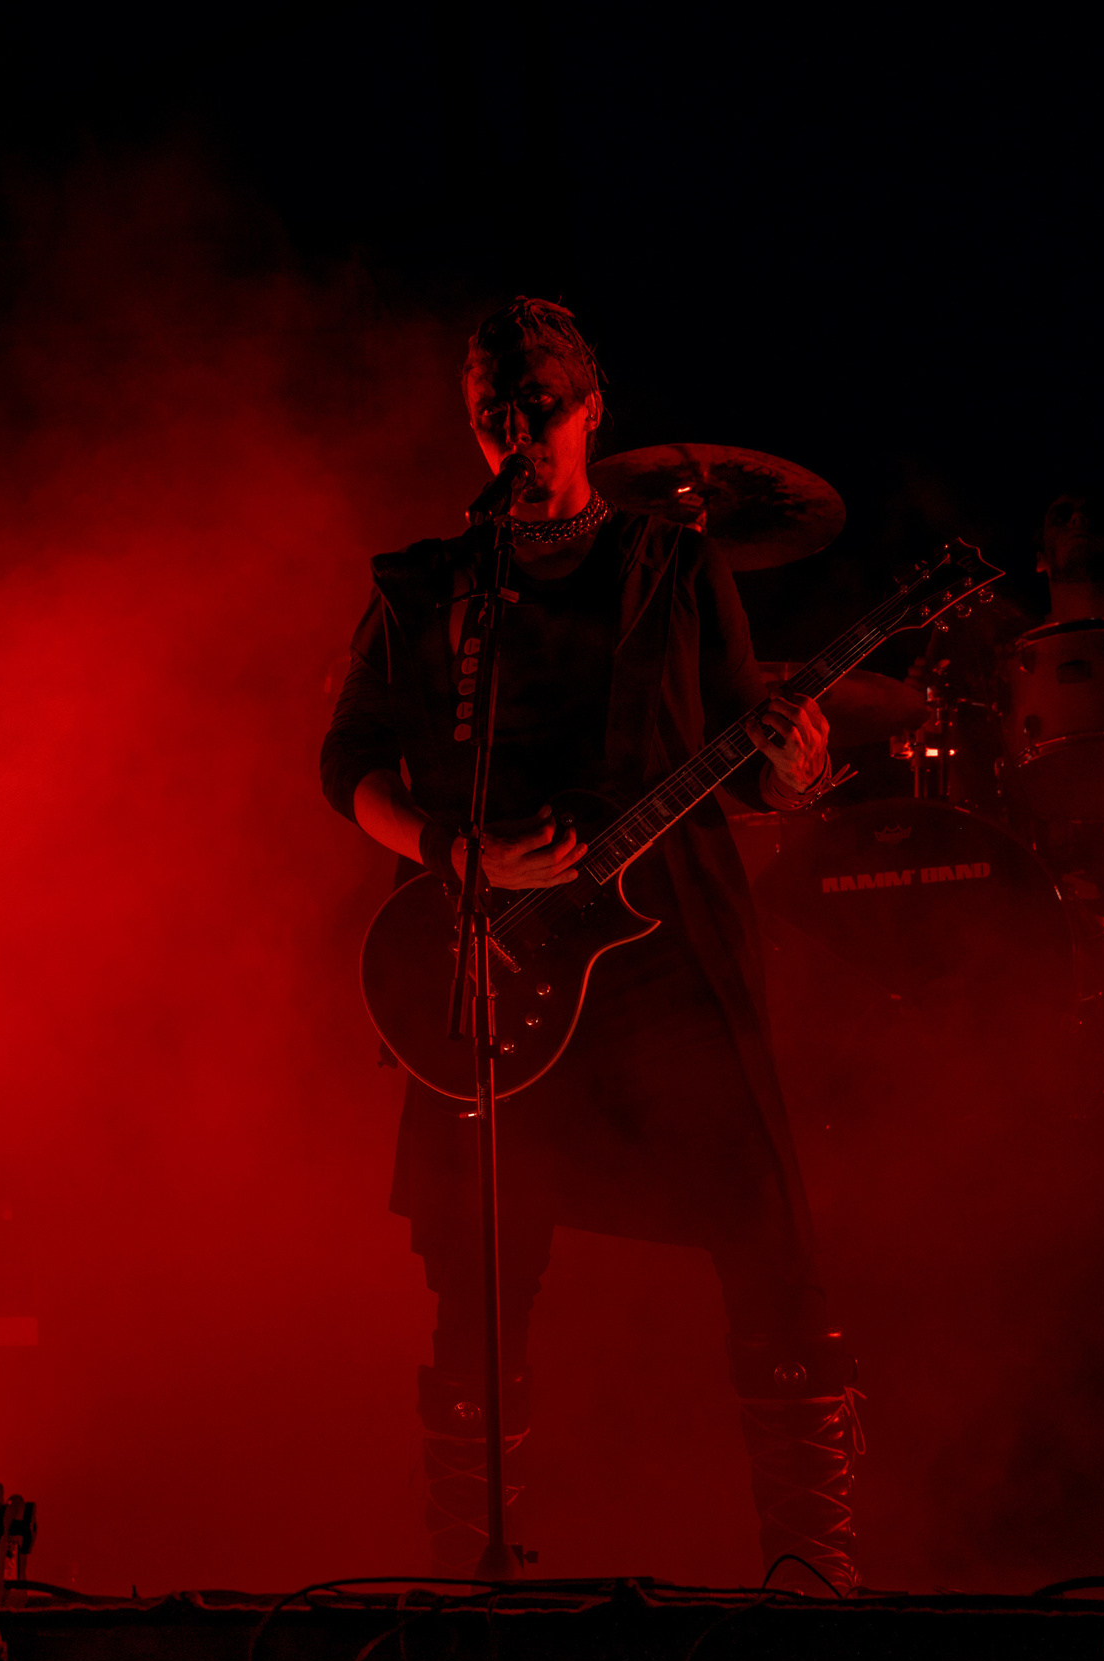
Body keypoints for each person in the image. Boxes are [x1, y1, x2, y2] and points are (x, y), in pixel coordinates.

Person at [319, 299, 862, 1590]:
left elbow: (743, 757)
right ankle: (478, 1572)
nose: (520, 435)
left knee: (769, 1241)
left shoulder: (675, 566)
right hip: (495, 955)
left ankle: (816, 1567)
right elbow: (347, 763)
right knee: (482, 1276)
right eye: (495, 416)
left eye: (542, 408)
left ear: (592, 405)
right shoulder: (430, 584)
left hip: (673, 950)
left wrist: (798, 761)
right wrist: (459, 854)